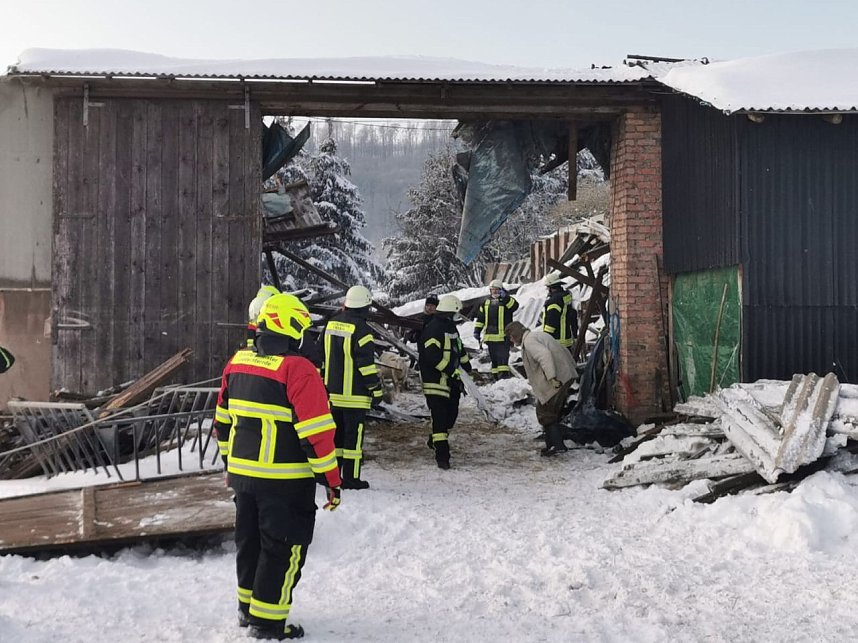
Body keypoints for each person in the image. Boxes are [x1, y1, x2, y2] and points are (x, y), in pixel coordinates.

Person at [214, 293, 342, 641]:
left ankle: (247, 609)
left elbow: (222, 422)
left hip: (244, 479)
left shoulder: (237, 362)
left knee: (249, 542)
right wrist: (332, 480)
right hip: (285, 481)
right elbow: (316, 434)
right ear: (292, 330)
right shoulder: (299, 370)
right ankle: (268, 623)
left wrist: (231, 465)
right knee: (283, 547)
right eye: (303, 329)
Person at [322, 285, 383, 490]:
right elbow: (365, 365)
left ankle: (332, 476)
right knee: (353, 442)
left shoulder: (331, 325)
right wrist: (376, 389)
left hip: (332, 394)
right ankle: (351, 478)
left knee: (335, 438)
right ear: (365, 305)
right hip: (355, 397)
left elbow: (322, 357)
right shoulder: (363, 330)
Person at [505, 321, 577, 457]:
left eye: (511, 336)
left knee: (545, 412)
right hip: (563, 375)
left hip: (557, 379)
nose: (511, 340)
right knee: (547, 410)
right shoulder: (535, 336)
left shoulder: (530, 341)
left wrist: (552, 377)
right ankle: (552, 444)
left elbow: (544, 356)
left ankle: (557, 446)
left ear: (516, 333)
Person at [419, 294, 471, 469]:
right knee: (440, 419)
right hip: (436, 382)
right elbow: (431, 355)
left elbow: (459, 348)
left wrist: (466, 365)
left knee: (451, 417)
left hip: (452, 382)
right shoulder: (433, 328)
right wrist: (450, 370)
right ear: (448, 312)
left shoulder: (451, 328)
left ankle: (434, 439)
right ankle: (443, 456)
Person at [473, 279, 519, 380]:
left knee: (503, 359)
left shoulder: (506, 301)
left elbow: (515, 306)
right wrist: (477, 330)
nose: (494, 291)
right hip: (490, 337)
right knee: (494, 360)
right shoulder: (485, 303)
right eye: (492, 289)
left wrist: (506, 297)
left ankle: (504, 378)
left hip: (503, 337)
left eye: (497, 290)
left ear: (501, 290)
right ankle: (495, 378)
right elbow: (480, 318)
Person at [541, 273, 578, 353]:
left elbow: (552, 320)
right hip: (566, 339)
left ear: (551, 287)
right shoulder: (566, 297)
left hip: (556, 341)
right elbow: (572, 315)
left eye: (548, 288)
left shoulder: (554, 301)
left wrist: (546, 337)